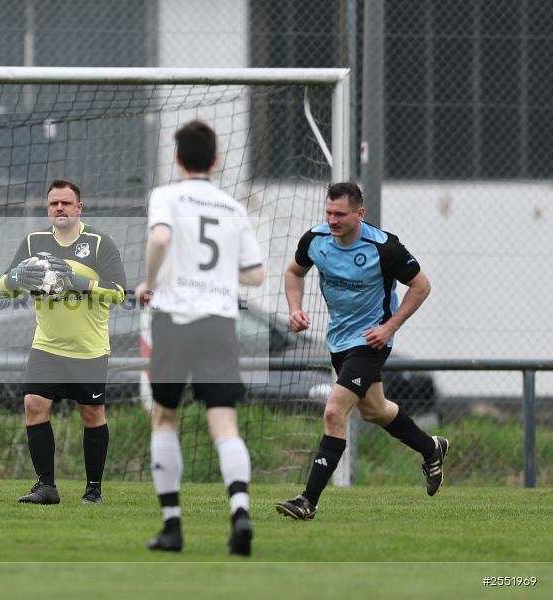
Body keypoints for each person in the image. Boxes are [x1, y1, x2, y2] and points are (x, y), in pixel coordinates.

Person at [275, 181, 447, 521]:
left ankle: (308, 500)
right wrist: (294, 308)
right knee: (375, 410)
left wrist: (389, 327)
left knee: (334, 412)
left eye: (340, 214)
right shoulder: (315, 240)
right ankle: (432, 448)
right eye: (329, 212)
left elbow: (421, 285)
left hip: (370, 342)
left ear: (360, 213)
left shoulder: (385, 248)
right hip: (339, 341)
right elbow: (294, 272)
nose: (333, 220)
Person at [135, 121, 265, 557]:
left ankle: (172, 525)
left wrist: (149, 282)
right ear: (215, 159)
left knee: (165, 417)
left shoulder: (166, 196)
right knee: (224, 420)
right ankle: (240, 511)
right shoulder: (232, 207)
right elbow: (257, 274)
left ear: (177, 158)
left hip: (174, 317)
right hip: (219, 321)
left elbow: (160, 238)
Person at [0, 179, 127, 505]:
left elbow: (118, 293)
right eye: (54, 203)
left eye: (66, 203)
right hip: (47, 345)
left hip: (89, 348)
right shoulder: (33, 243)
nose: (59, 208)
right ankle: (46, 487)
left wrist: (77, 281)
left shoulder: (99, 243)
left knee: (91, 414)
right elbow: (5, 286)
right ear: (48, 208)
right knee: (33, 404)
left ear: (79, 208)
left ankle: (93, 489)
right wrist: (15, 278)